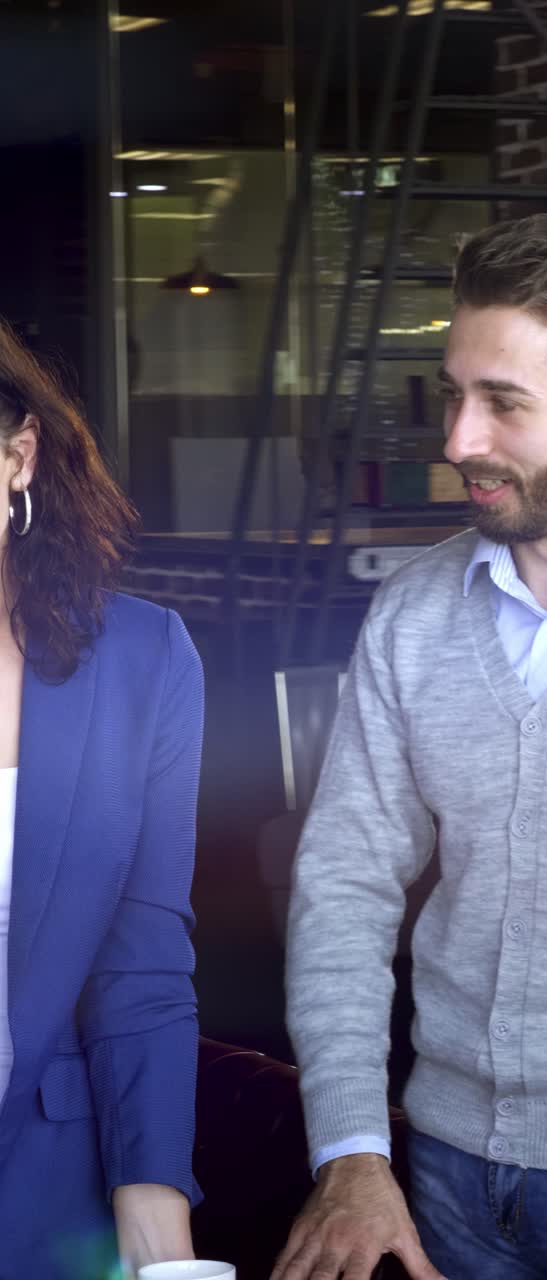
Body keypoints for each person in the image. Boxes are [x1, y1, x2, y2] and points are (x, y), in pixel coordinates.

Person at [276, 212, 547, 1280]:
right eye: (452, 392)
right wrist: (349, 1147)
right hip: (439, 1174)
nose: (459, 439)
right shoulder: (416, 610)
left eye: (503, 404)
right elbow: (342, 881)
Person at [0, 319, 204, 1277]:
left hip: (49, 1181)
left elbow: (139, 961)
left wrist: (154, 1205)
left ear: (18, 454)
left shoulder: (143, 659)